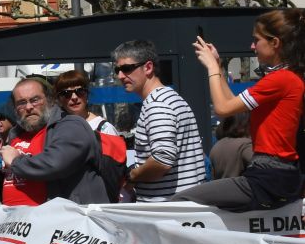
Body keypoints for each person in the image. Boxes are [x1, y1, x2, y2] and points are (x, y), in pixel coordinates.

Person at [178, 12, 305, 210]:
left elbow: (221, 108)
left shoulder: (280, 79)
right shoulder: (287, 78)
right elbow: (231, 106)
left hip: (268, 177)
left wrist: (211, 67)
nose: (252, 46)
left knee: (180, 202)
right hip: (277, 176)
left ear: (275, 43)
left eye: (256, 40)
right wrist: (218, 67)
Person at [113, 39, 206, 201]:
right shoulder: (170, 98)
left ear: (148, 67)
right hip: (180, 207)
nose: (120, 75)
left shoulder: (157, 105)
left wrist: (133, 175)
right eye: (117, 69)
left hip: (168, 211)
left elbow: (162, 160)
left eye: (126, 68)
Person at [0, 78, 108, 206]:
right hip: (20, 221)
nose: (28, 107)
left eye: (35, 100)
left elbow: (54, 163)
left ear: (50, 101)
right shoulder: (15, 133)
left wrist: (15, 162)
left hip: (66, 220)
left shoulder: (72, 125)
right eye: (21, 102)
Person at [54, 69, 116, 134]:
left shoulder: (105, 129)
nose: (74, 97)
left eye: (80, 91)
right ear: (59, 99)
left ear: (87, 94)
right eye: (66, 93)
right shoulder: (54, 129)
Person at [209, 113, 253, 180]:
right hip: (241, 188)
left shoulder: (217, 146)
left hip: (222, 188)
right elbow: (264, 166)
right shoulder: (245, 145)